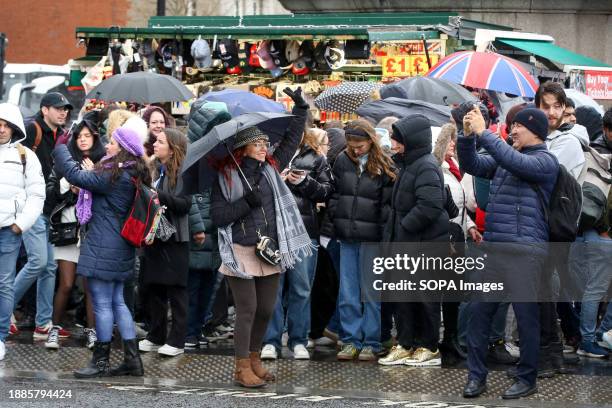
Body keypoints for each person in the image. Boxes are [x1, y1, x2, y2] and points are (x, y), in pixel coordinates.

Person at [210, 88, 311, 388]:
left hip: (269, 248)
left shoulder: (270, 168)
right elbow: (218, 217)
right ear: (243, 148)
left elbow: (291, 140)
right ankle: (241, 367)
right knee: (248, 309)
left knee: (267, 308)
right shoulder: (227, 176)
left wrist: (301, 109)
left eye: (265, 142)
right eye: (258, 143)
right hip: (240, 249)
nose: (264, 147)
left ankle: (254, 360)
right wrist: (246, 203)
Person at [458, 107, 558, 399]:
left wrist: (483, 132)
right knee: (478, 313)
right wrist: (466, 137)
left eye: (518, 127)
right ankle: (476, 377)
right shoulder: (505, 157)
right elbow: (473, 164)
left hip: (526, 252)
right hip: (494, 249)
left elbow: (511, 160)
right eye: (510, 126)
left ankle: (527, 378)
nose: (512, 131)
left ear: (535, 131)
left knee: (527, 319)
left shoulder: (545, 161)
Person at [52, 126, 150, 378]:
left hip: (103, 246)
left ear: (123, 149)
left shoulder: (114, 174)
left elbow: (74, 174)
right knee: (118, 302)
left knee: (103, 303)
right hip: (120, 246)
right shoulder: (131, 173)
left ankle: (100, 363)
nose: (107, 146)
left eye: (113, 144)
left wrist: (61, 145)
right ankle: (132, 361)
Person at [378, 114, 448, 367]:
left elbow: (429, 206)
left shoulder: (425, 165)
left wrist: (404, 229)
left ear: (413, 141)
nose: (394, 144)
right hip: (408, 244)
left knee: (425, 298)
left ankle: (429, 347)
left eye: (398, 140)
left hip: (423, 245)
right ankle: (407, 344)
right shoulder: (410, 163)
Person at [261, 127, 333, 360]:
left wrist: (303, 181)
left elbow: (326, 192)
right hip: (275, 231)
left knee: (301, 288)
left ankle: (298, 340)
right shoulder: (269, 156)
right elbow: (256, 191)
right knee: (274, 287)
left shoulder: (316, 158)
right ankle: (271, 340)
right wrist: (277, 181)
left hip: (304, 231)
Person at [328, 119, 396, 361]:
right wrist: (336, 215)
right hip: (346, 234)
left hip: (372, 238)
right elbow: (334, 193)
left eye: (360, 145)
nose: (355, 149)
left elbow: (388, 206)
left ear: (370, 141)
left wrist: (383, 232)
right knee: (347, 291)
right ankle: (350, 340)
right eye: (352, 145)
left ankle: (371, 341)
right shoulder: (342, 160)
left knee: (370, 292)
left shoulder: (385, 164)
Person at [13, 92, 72, 340]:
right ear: (45, 109)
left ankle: (43, 323)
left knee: (48, 267)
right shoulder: (31, 129)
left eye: (65, 109)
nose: (63, 112)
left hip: (51, 210)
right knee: (38, 262)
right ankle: (5, 307)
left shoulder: (61, 135)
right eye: (58, 108)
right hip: (31, 208)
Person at [44, 119, 105, 350]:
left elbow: (109, 194)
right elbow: (50, 195)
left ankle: (91, 330)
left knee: (90, 285)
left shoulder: (103, 162)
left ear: (95, 138)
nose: (83, 139)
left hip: (93, 231)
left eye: (88, 135)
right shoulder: (64, 162)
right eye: (79, 135)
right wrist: (67, 186)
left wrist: (90, 181)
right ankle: (54, 329)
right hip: (68, 229)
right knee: (67, 284)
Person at [138, 128, 192, 357]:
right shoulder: (153, 169)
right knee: (154, 287)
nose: (155, 145)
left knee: (176, 290)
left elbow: (184, 205)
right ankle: (156, 335)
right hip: (155, 236)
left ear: (173, 148)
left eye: (160, 142)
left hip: (175, 237)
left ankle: (177, 340)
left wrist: (157, 194)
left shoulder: (182, 172)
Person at [0, 103, 45, 361]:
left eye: (7, 125)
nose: (2, 129)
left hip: (9, 231)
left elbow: (37, 193)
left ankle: (0, 337)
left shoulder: (24, 154)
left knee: (4, 284)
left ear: (15, 127)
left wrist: (21, 224)